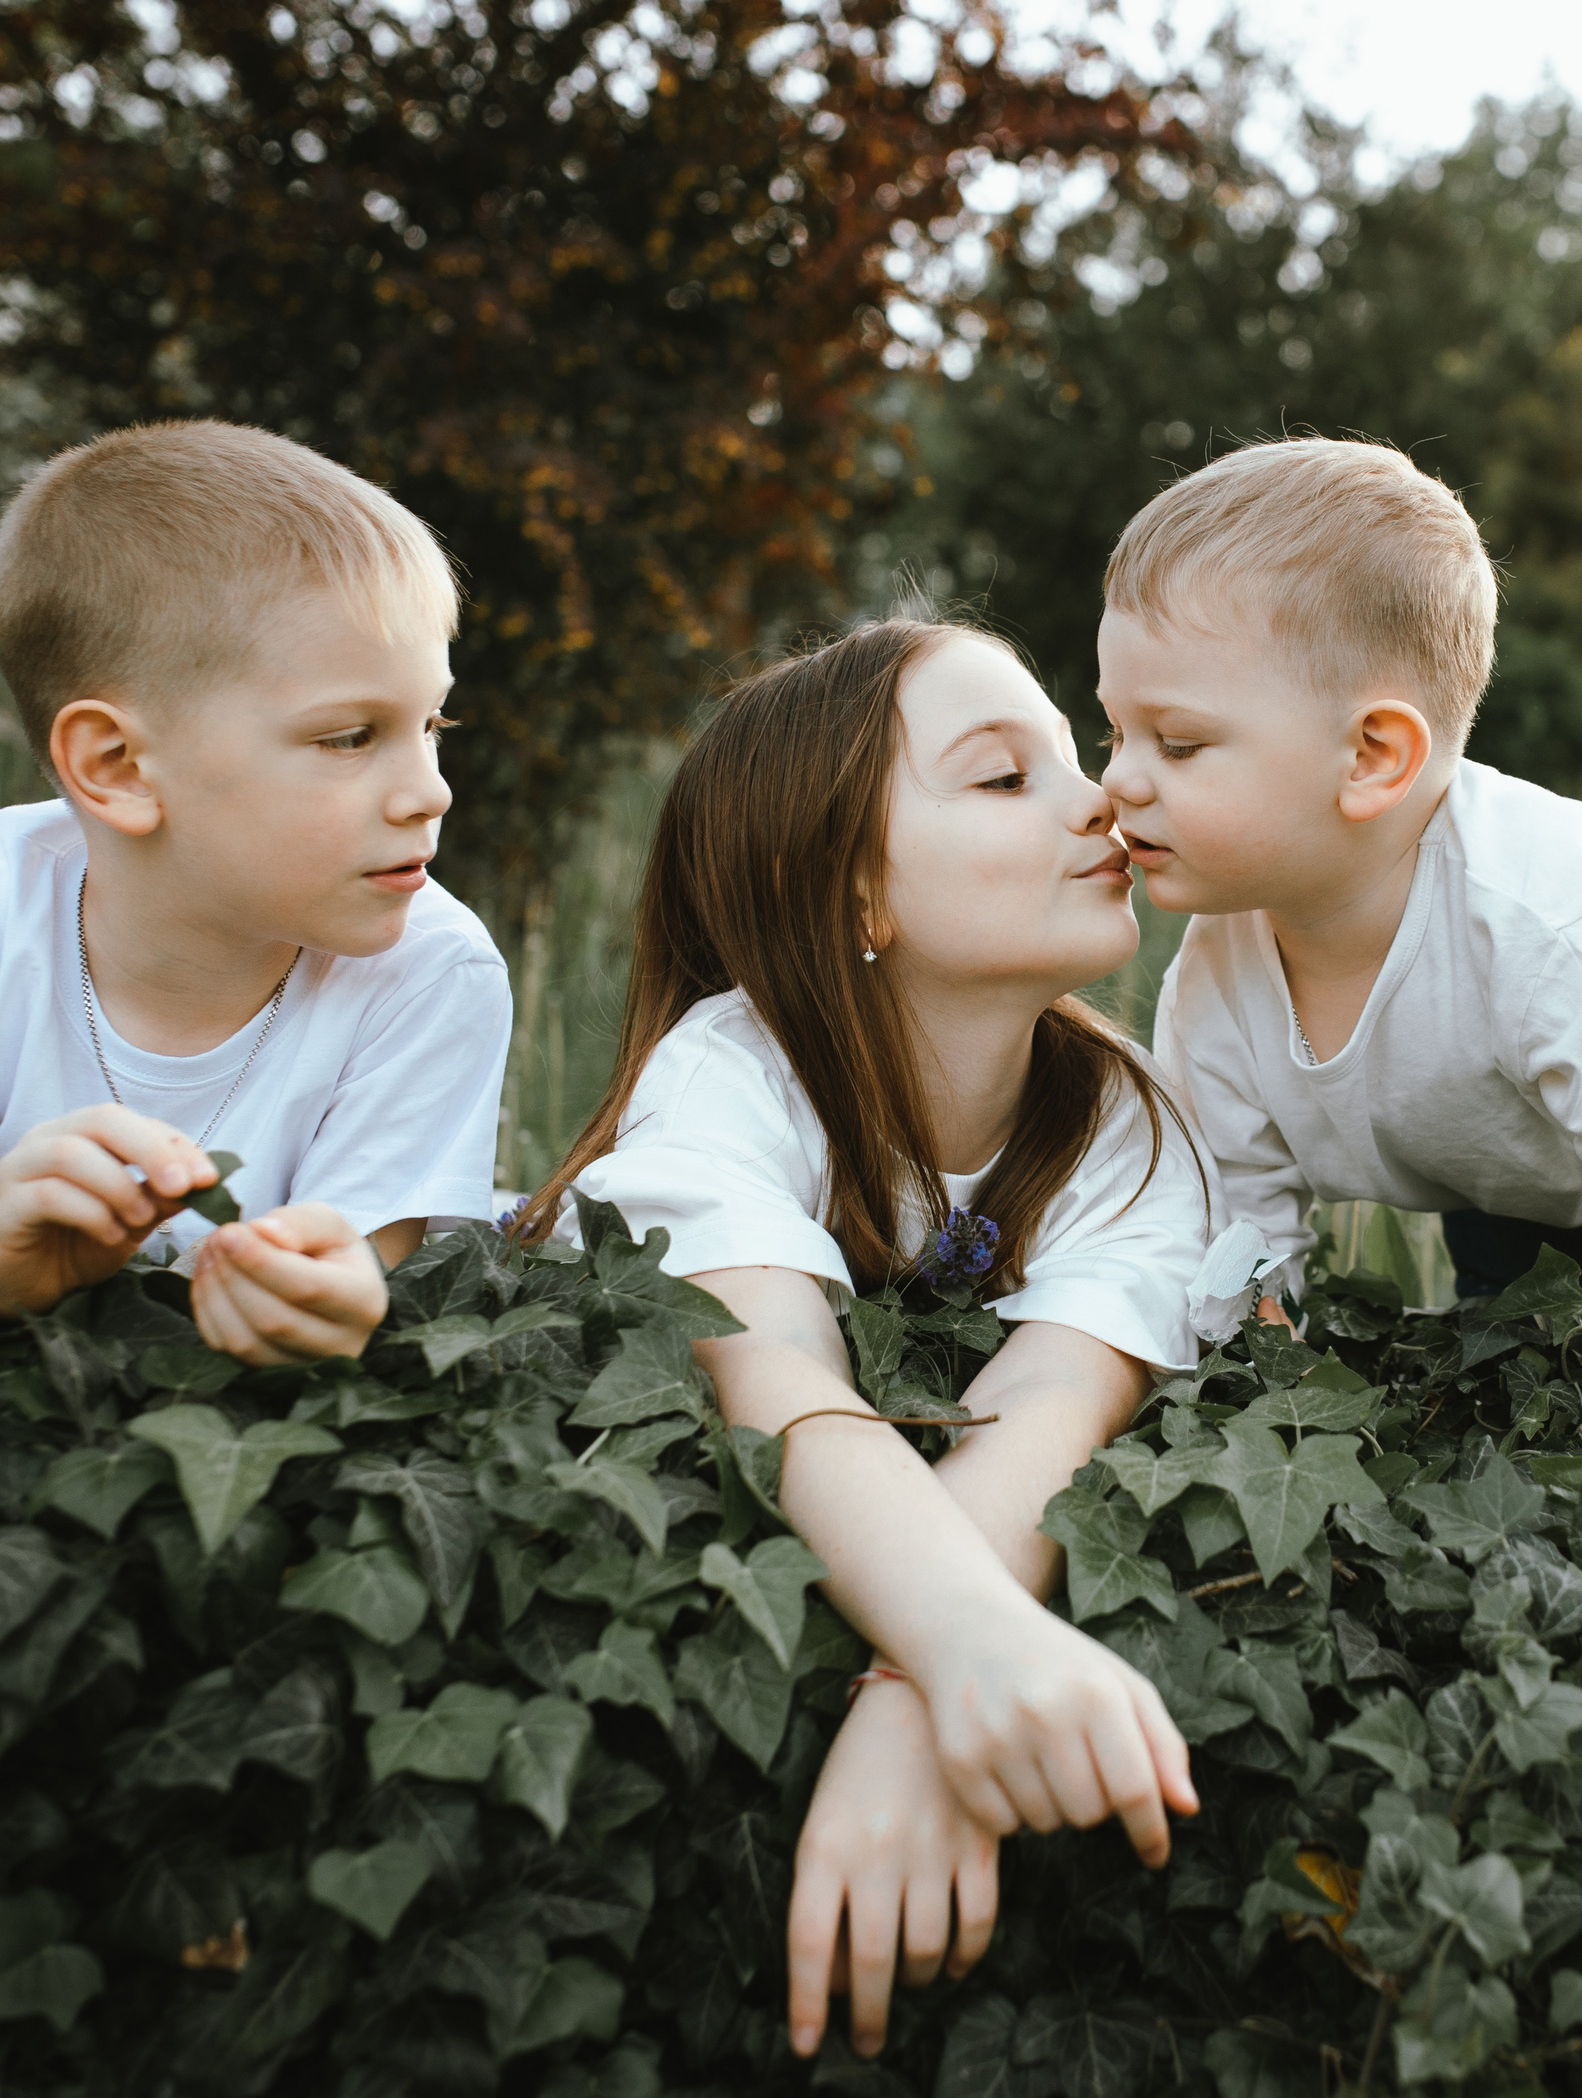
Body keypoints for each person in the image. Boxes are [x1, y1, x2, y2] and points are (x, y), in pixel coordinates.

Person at [516, 618, 1212, 2060]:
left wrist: (916, 1698)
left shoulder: (1125, 1118)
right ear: (851, 891)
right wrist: (962, 1637)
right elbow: (779, 1380)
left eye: (1069, 756)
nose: (1100, 796)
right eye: (1003, 777)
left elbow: (1053, 1403)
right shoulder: (726, 1077)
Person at [1097, 436, 1582, 1472]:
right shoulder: (1215, 978)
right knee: (1521, 1371)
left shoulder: (1555, 940)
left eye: (1177, 743)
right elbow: (1237, 1211)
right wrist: (1253, 1361)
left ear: (1372, 757)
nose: (1120, 783)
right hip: (1504, 1138)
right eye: (1113, 734)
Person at [0, 420, 513, 1364]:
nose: (433, 790)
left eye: (432, 722)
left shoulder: (431, 971)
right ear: (121, 767)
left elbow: (335, 1299)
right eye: (348, 737)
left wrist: (323, 1300)